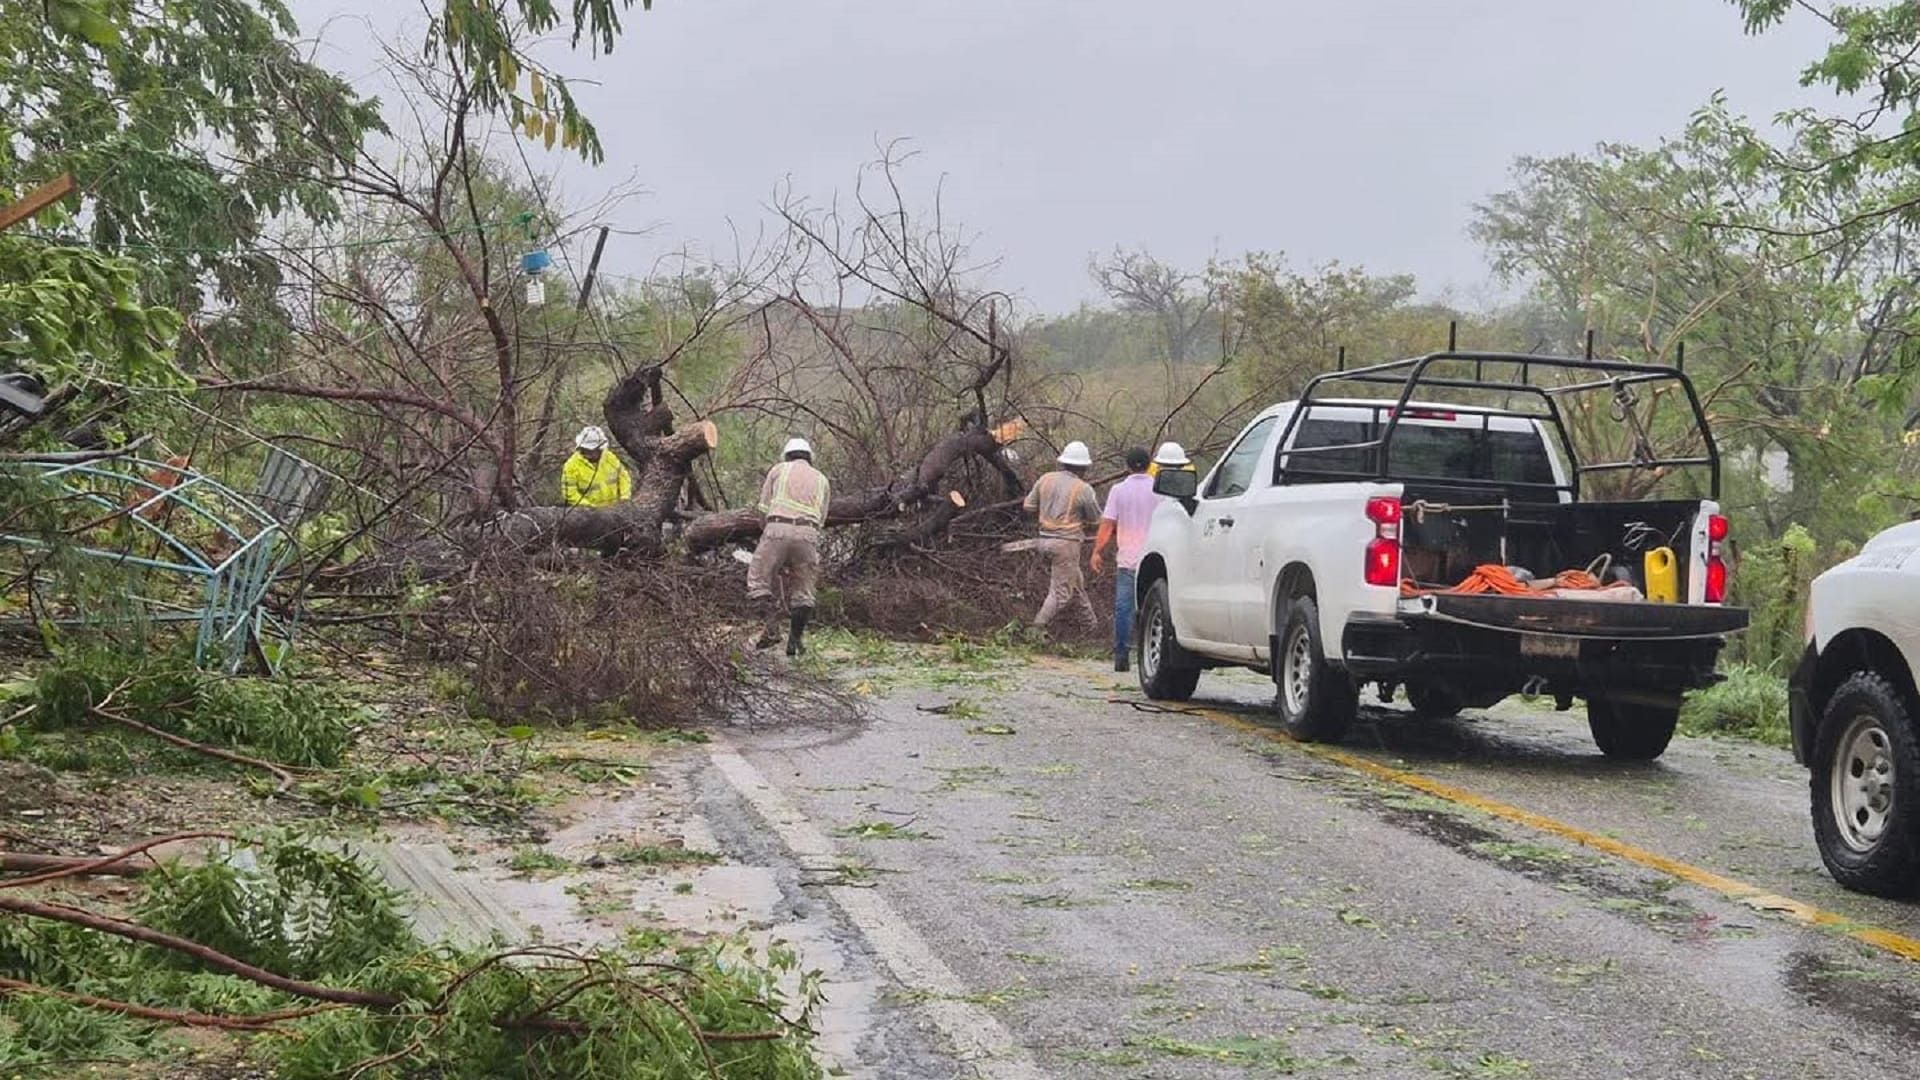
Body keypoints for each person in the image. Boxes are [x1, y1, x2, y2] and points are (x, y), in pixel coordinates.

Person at [748, 437, 831, 657]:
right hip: (808, 534)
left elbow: (763, 510)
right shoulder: (822, 479)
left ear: (787, 455)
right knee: (804, 592)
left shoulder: (779, 470)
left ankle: (772, 628)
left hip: (777, 528)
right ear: (809, 457)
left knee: (757, 580)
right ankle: (795, 641)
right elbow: (821, 519)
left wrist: (769, 541)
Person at [1090, 446, 1157, 672]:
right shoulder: (1160, 489)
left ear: (1127, 466)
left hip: (1128, 559)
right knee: (1154, 610)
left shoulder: (1118, 490)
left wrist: (1097, 551)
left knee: (1124, 608)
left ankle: (1121, 655)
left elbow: (1108, 523)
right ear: (1149, 464)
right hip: (1154, 561)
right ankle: (1150, 655)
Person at [1022, 440, 1101, 632]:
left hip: (1044, 540)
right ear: (1083, 467)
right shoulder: (1083, 489)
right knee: (1061, 594)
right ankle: (1035, 630)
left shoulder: (1045, 479)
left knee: (1075, 584)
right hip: (1066, 545)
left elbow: (1028, 506)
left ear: (1063, 462)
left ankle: (1091, 627)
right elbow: (1096, 521)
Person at [561, 426, 632, 507]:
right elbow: (570, 493)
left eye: (592, 450)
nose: (589, 453)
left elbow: (623, 477)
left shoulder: (609, 458)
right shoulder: (571, 466)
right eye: (586, 450)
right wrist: (589, 507)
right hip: (589, 514)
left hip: (615, 510)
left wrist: (625, 498)